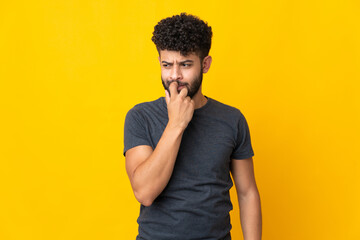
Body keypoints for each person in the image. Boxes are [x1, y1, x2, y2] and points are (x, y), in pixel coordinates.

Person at [123, 12, 262, 240]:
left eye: (185, 64)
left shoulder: (232, 119)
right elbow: (145, 192)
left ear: (205, 64)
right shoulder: (140, 117)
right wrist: (176, 125)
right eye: (167, 65)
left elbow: (247, 193)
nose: (175, 76)